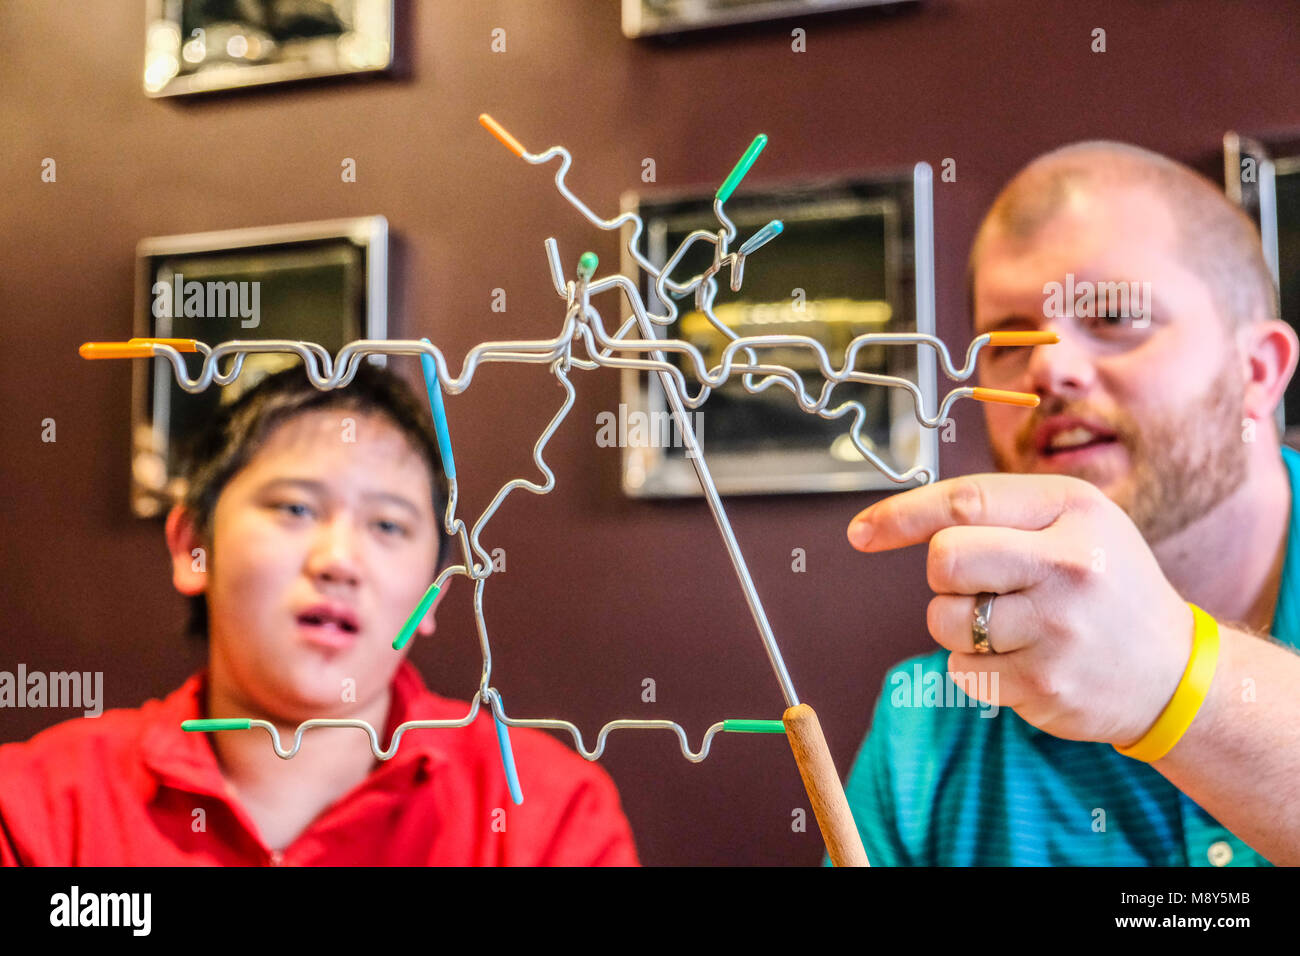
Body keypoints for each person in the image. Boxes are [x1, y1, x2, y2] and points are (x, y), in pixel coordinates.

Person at [840, 140, 1300, 866]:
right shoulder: (925, 732)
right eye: (1009, 341)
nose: (1048, 365)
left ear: (1257, 370)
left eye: (1114, 314)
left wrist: (1172, 679)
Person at [0, 362, 638, 865]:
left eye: (388, 525)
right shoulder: (37, 810)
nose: (339, 561)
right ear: (194, 546)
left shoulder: (546, 813)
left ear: (435, 592)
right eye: (295, 509)